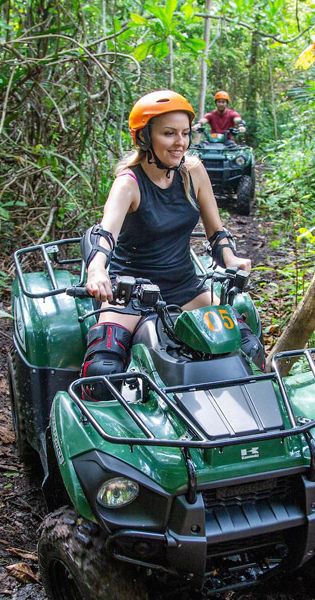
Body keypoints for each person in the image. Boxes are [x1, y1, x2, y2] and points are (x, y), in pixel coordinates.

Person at [80, 89, 263, 389]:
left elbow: (216, 232)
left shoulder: (193, 172)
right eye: (168, 133)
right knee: (104, 368)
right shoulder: (129, 183)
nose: (180, 142)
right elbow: (104, 235)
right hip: (131, 292)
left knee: (246, 348)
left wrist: (231, 259)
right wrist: (97, 269)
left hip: (185, 286)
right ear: (144, 137)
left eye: (185, 133)